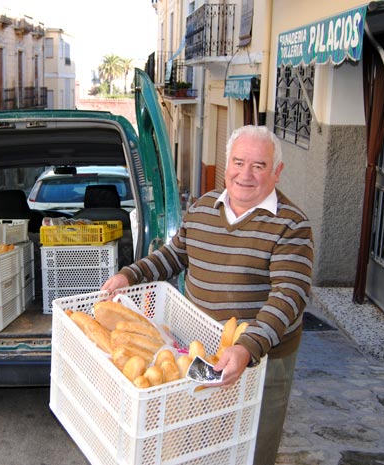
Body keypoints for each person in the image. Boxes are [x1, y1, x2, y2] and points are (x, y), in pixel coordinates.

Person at [101, 125, 314, 465]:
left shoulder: (291, 225)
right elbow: (175, 256)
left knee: (250, 445)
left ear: (277, 172)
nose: (245, 174)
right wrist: (130, 274)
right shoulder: (202, 208)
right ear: (226, 163)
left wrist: (248, 347)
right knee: (201, 433)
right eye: (238, 162)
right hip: (201, 347)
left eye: (258, 166)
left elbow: (289, 295)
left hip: (261, 359)